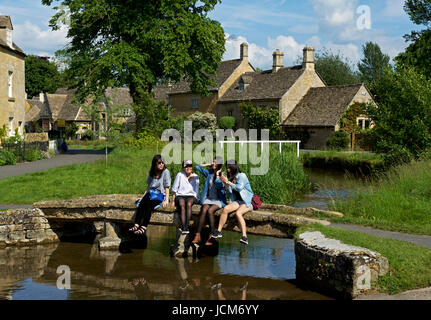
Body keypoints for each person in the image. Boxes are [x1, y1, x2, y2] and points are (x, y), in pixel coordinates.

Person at [212, 160, 254, 245]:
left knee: (238, 213)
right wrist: (225, 184)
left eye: (229, 168)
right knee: (226, 209)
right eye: (227, 168)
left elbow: (239, 188)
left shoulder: (242, 176)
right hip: (238, 201)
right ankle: (219, 231)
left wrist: (228, 182)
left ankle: (244, 237)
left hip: (247, 202)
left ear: (234, 167)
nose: (228, 170)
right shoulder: (231, 177)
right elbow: (230, 193)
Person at [129, 155, 171, 235]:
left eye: (163, 163)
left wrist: (166, 200)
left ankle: (144, 227)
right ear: (155, 164)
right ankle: (136, 224)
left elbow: (167, 187)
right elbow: (148, 186)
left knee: (149, 205)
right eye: (159, 163)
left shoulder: (166, 172)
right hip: (151, 193)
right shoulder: (152, 172)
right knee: (142, 203)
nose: (162, 164)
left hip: (159, 194)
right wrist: (143, 197)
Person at [192, 157, 227, 246]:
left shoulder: (223, 175)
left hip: (218, 200)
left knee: (210, 211)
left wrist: (218, 175)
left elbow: (219, 185)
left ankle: (211, 236)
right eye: (213, 162)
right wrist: (207, 164)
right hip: (208, 199)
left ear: (219, 164)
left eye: (215, 162)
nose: (213, 163)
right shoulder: (209, 173)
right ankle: (197, 235)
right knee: (204, 210)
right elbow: (197, 167)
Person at [171, 160, 200, 234]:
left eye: (190, 166)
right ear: (183, 168)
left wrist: (195, 198)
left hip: (191, 196)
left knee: (189, 204)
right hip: (180, 195)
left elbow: (196, 190)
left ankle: (186, 225)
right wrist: (173, 201)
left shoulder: (196, 176)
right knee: (182, 204)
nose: (188, 168)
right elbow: (174, 188)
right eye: (186, 166)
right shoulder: (180, 175)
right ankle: (184, 226)